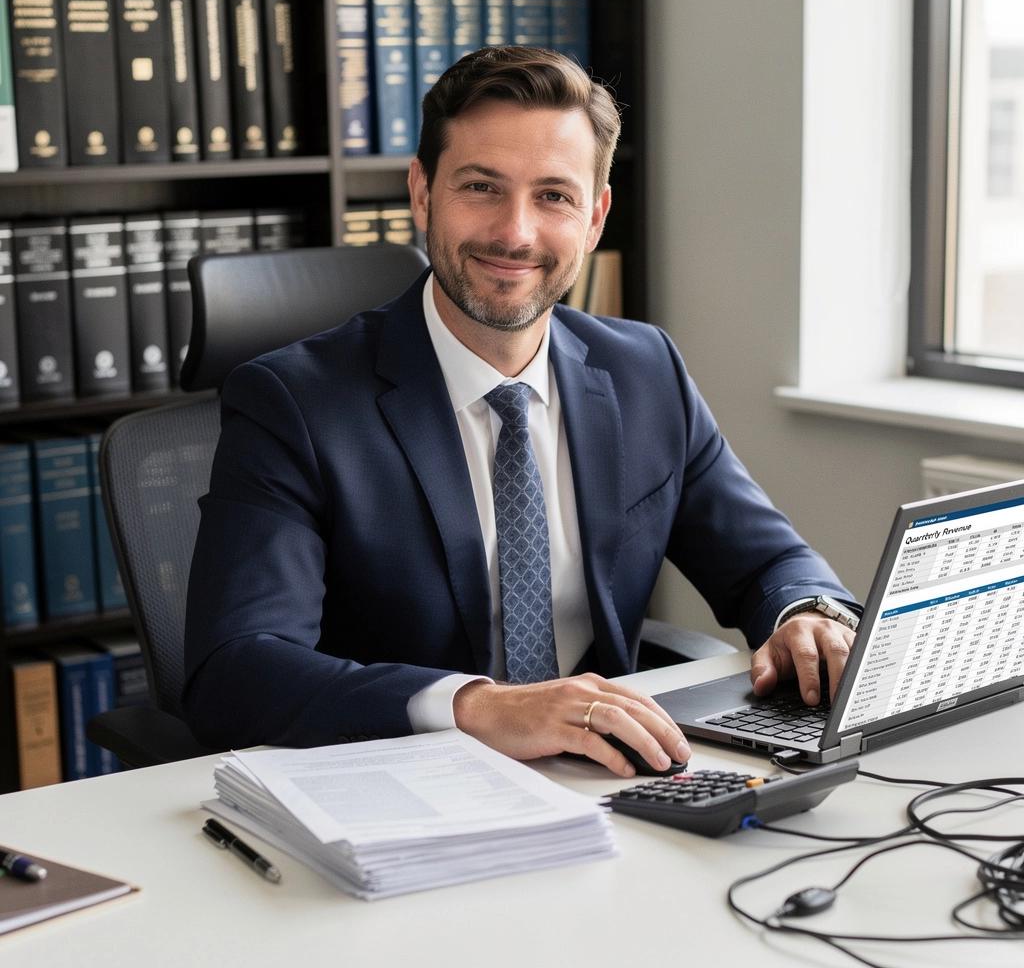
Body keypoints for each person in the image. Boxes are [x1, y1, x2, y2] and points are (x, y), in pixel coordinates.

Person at [183, 46, 859, 778]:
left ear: (595, 217)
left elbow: (769, 560)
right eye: (482, 187)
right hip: (403, 784)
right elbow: (237, 669)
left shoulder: (643, 371)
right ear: (422, 193)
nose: (515, 233)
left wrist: (807, 614)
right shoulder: (293, 402)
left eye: (554, 196)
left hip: (607, 777)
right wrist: (476, 707)